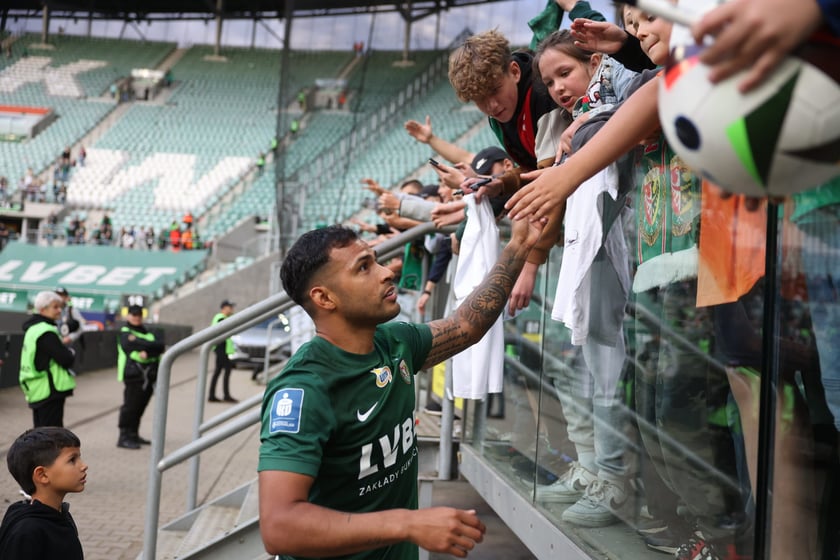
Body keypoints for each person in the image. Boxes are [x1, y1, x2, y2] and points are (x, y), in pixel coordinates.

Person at [258, 215, 544, 559]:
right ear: (325, 298)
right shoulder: (304, 390)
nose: (386, 272)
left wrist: (519, 245)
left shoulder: (395, 342)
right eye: (364, 267)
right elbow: (279, 527)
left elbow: (465, 325)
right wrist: (407, 524)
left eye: (376, 260)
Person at [0, 427, 86, 560]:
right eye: (72, 460)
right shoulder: (27, 532)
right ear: (42, 475)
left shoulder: (60, 514)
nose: (84, 466)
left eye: (79, 457)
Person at [20, 291, 76, 428]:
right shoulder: (46, 332)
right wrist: (70, 352)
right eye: (55, 307)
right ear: (42, 309)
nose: (59, 310)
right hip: (49, 390)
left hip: (36, 388)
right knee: (51, 434)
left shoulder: (33, 329)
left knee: (40, 433)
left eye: (60, 307)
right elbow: (66, 358)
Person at [116, 305, 165, 449]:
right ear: (128, 316)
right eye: (133, 314)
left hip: (149, 375)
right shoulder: (125, 332)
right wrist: (151, 346)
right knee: (130, 407)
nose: (136, 317)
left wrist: (146, 350)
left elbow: (160, 347)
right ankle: (124, 437)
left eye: (139, 315)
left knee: (140, 407)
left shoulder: (148, 332)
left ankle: (133, 434)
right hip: (133, 375)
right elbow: (129, 346)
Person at [209, 300, 238, 403]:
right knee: (224, 370)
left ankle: (213, 395)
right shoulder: (220, 318)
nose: (232, 309)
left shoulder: (224, 317)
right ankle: (224, 395)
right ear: (224, 308)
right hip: (221, 347)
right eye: (230, 307)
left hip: (222, 348)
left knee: (219, 371)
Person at [55, 287, 86, 357]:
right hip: (54, 343)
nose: (59, 298)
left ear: (66, 297)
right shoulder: (50, 310)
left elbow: (81, 327)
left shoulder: (71, 310)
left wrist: (70, 338)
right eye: (57, 295)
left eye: (61, 296)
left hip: (67, 346)